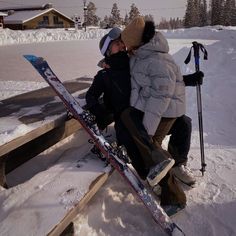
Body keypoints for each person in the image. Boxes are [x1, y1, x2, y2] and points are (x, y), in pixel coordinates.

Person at [85, 27, 176, 188]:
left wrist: (186, 80)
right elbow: (91, 96)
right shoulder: (104, 75)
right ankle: (157, 181)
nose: (122, 46)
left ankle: (176, 165)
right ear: (107, 51)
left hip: (145, 114)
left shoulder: (134, 64)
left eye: (122, 43)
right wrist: (98, 113)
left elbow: (157, 76)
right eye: (116, 43)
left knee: (183, 122)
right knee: (135, 141)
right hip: (126, 123)